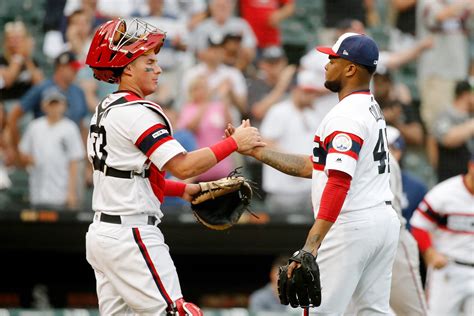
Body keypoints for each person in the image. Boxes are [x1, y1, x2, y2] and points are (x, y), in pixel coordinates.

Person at [83, 18, 263, 315]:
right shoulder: (138, 112)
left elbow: (132, 177)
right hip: (133, 234)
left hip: (104, 235)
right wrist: (235, 144)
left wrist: (183, 191)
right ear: (128, 68)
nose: (159, 68)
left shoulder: (105, 108)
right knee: (178, 312)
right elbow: (183, 165)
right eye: (149, 62)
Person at [229, 32, 400, 314]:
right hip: (380, 220)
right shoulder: (368, 106)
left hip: (351, 222)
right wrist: (259, 153)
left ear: (349, 68)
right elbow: (315, 166)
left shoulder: (346, 116)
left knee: (312, 311)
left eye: (332, 58)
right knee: (371, 311)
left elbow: (338, 181)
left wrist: (311, 245)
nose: (326, 64)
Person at [410, 154, 474, 315]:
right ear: (471, 166)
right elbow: (418, 225)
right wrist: (430, 252)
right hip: (449, 269)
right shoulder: (445, 193)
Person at [18, 87, 85, 210]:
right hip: (37, 190)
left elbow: (74, 162)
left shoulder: (70, 128)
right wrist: (28, 159)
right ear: (44, 106)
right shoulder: (34, 127)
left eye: (57, 104)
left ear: (64, 105)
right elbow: (23, 153)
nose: (54, 108)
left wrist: (71, 192)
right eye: (51, 104)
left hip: (61, 192)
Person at [386, 126, 429, 315]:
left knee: (412, 310)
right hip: (366, 240)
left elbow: (422, 222)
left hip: (397, 241)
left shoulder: (414, 184)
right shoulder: (357, 166)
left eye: (392, 147)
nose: (387, 152)